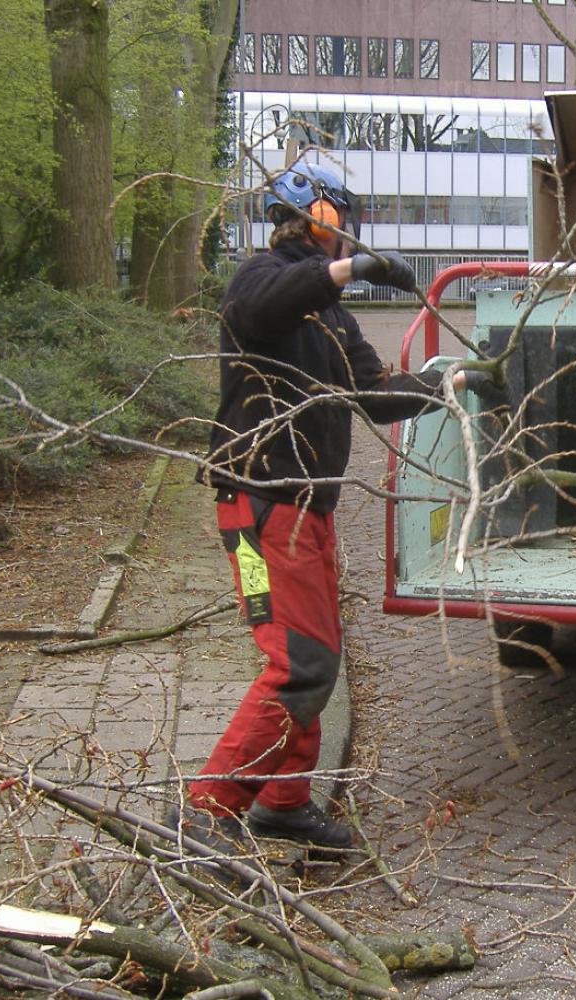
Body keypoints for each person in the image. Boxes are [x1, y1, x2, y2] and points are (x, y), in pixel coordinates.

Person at [166, 159, 474, 852]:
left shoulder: (332, 316)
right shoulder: (259, 277)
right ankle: (206, 811)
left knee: (314, 656)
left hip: (306, 510)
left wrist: (455, 382)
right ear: (323, 218)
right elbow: (266, 307)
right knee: (299, 664)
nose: (351, 240)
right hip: (261, 504)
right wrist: (352, 270)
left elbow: (373, 390)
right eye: (345, 229)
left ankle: (283, 802)